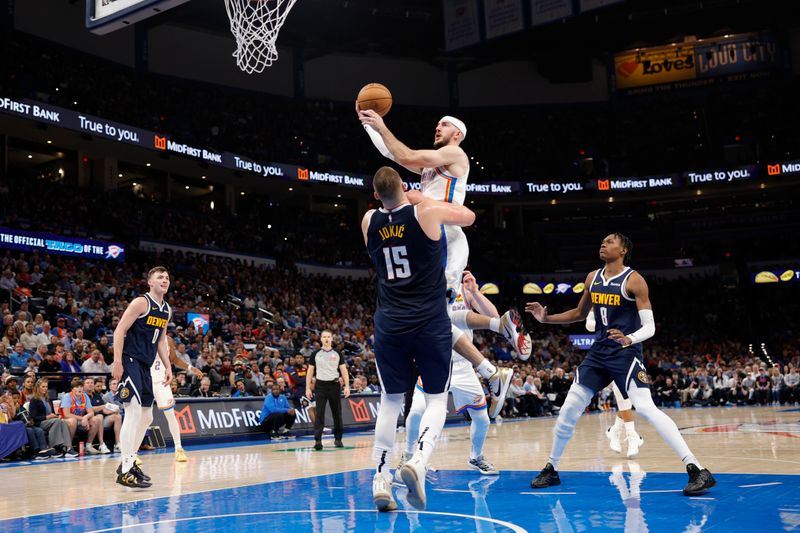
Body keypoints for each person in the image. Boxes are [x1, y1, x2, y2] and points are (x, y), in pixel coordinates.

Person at [359, 108, 531, 418]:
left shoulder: (455, 154)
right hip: (431, 237)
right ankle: (494, 345)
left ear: (458, 134)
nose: (438, 126)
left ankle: (492, 364)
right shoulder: (434, 162)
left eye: (445, 124)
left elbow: (406, 155)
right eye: (437, 123)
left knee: (436, 313)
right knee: (435, 314)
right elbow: (397, 156)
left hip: (448, 239)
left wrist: (382, 125)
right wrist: (372, 127)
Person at [525, 233, 715, 496]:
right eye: (601, 241)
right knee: (569, 410)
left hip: (625, 353)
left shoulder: (634, 280)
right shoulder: (592, 277)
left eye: (610, 241)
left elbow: (650, 327)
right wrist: (546, 318)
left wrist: (629, 339)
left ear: (623, 250)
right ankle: (551, 469)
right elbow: (580, 314)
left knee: (646, 408)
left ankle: (697, 468)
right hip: (598, 353)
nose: (603, 243)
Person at [361, 166, 476, 511]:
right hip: (429, 320)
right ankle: (419, 461)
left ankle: (381, 478)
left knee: (391, 402)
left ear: (376, 194)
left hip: (390, 322)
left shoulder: (369, 221)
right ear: (403, 186)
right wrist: (421, 197)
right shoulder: (425, 210)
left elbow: (387, 215)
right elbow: (468, 216)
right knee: (438, 400)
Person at [397, 270, 499, 479]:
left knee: (483, 419)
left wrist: (475, 292)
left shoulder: (464, 290)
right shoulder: (428, 286)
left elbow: (494, 318)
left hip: (463, 365)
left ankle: (476, 457)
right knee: (416, 412)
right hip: (436, 362)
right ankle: (408, 456)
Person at [111, 266, 173, 488]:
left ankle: (127, 462)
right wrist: (117, 363)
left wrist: (168, 366)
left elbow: (160, 341)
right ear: (150, 282)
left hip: (146, 365)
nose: (164, 280)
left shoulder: (166, 309)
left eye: (166, 278)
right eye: (160, 277)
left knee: (146, 417)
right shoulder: (141, 303)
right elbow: (119, 331)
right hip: (130, 360)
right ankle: (126, 469)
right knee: (133, 411)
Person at [586, 310, 644, 458]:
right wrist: (607, 326)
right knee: (622, 395)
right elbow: (589, 326)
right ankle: (631, 435)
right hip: (608, 354)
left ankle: (615, 431)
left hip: (629, 353)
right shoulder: (598, 300)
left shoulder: (628, 302)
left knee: (628, 398)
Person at [149, 336, 203, 463]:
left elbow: (173, 359)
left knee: (171, 415)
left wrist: (191, 368)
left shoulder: (168, 339)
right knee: (144, 418)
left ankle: (178, 448)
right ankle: (133, 453)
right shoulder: (147, 332)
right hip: (147, 381)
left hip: (163, 382)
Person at [306, 330, 350, 450]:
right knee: (319, 413)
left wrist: (347, 386)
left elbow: (344, 371)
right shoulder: (315, 353)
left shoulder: (337, 353)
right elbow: (310, 372)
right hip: (320, 386)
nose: (326, 339)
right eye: (324, 337)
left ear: (331, 339)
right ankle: (318, 440)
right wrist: (307, 388)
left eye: (328, 337)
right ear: (321, 339)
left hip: (334, 385)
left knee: (337, 413)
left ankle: (338, 439)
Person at [28, 378, 77, 457]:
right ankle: (55, 447)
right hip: (40, 423)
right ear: (38, 387)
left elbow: (52, 413)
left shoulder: (48, 399)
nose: (45, 388)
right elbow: (33, 417)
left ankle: (68, 447)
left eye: (46, 387)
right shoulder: (34, 400)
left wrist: (56, 415)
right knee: (56, 421)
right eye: (43, 387)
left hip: (50, 421)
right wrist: (47, 417)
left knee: (62, 421)